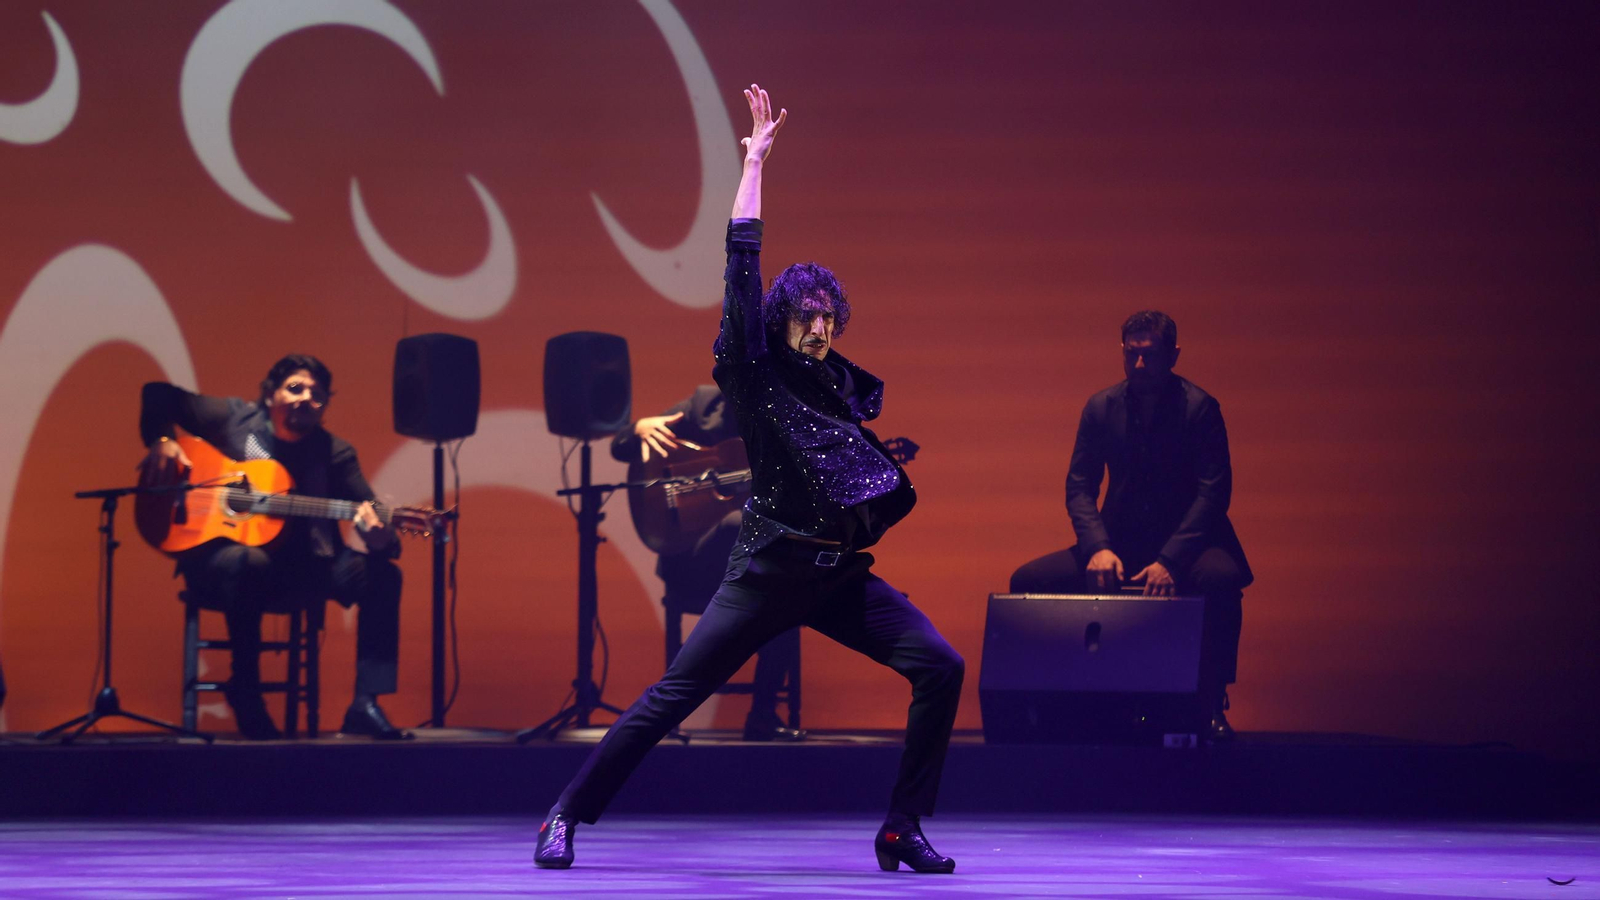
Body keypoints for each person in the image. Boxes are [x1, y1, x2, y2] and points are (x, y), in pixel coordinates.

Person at [536, 85, 964, 873]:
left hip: (835, 577)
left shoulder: (836, 392)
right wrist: (755, 164)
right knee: (670, 698)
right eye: (806, 313)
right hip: (766, 573)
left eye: (829, 315)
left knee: (940, 665)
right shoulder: (752, 371)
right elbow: (742, 263)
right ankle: (564, 812)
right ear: (779, 319)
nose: (820, 325)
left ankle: (901, 827)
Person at [140, 354, 412, 741]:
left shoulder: (334, 454)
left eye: (317, 395)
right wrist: (163, 441)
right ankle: (245, 690)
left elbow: (373, 516)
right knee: (247, 561)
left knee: (383, 577)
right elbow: (156, 395)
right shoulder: (233, 420)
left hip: (307, 567)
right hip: (226, 561)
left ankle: (365, 703)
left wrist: (380, 538)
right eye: (295, 388)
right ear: (270, 395)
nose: (306, 399)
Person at [1009, 311, 1251, 740]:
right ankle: (1044, 709)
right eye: (1131, 354)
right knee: (1029, 581)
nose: (1139, 365)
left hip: (1189, 543)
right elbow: (1079, 486)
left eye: (1149, 355)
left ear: (1173, 355)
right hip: (1119, 539)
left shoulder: (1200, 409)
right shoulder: (1101, 407)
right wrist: (1098, 547)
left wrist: (1171, 561)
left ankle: (1212, 700)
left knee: (1221, 578)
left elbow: (1213, 494)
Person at [614, 386, 804, 742]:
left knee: (785, 597)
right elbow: (620, 447)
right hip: (692, 558)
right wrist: (637, 429)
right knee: (739, 526)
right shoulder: (703, 406)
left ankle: (762, 716)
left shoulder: (786, 418)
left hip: (751, 568)